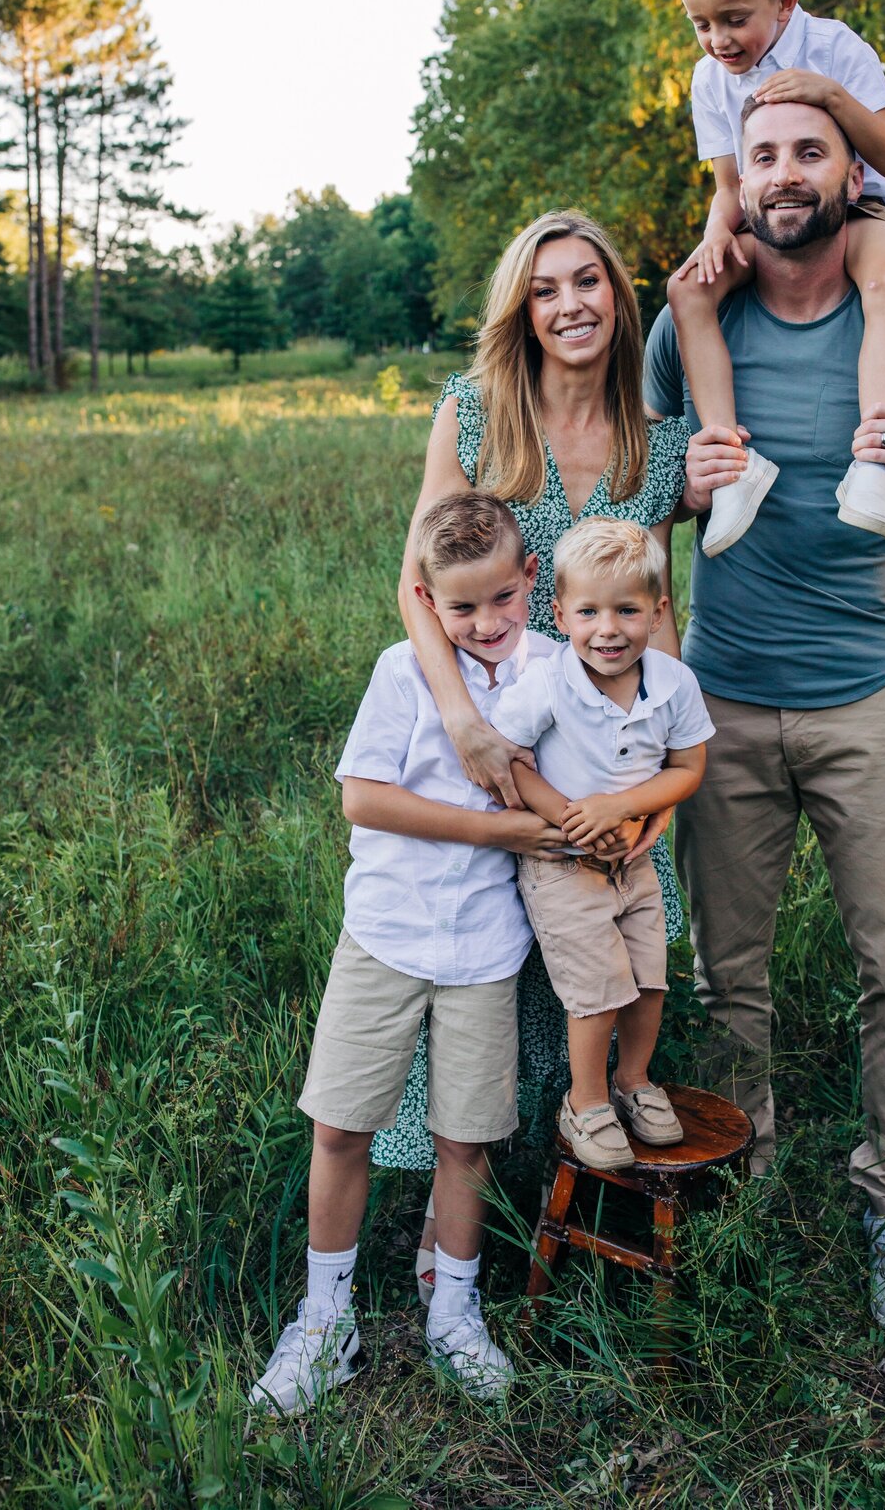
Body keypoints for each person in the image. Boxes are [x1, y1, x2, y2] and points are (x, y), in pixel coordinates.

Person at [647, 94, 885, 1333]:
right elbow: (628, 497)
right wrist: (680, 485)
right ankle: (741, 1175)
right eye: (762, 154)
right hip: (721, 702)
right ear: (738, 177)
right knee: (726, 973)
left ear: (851, 173)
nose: (785, 173)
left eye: (810, 151)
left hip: (873, 701)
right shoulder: (690, 318)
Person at [384, 210, 691, 1300]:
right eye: (546, 289)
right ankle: (450, 1216)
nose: (570, 305)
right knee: (487, 963)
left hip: (613, 756)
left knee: (612, 953)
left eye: (589, 282)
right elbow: (418, 583)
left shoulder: (656, 438)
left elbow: (660, 612)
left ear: (618, 297)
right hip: (501, 740)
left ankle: (574, 1172)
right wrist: (462, 722)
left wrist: (654, 789)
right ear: (521, 311)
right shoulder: (475, 416)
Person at [250, 493, 565, 1412]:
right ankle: (326, 1320)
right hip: (386, 932)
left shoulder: (556, 672)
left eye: (502, 598)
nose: (487, 623)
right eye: (462, 607)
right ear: (427, 601)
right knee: (341, 1125)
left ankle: (454, 1314)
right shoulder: (404, 672)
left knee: (466, 1139)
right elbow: (364, 798)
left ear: (531, 579)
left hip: (487, 948)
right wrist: (500, 828)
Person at [670, 0, 885, 555]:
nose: (718, 40)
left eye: (734, 19)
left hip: (859, 211)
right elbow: (730, 187)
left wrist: (831, 95)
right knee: (688, 288)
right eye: (701, 24)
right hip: (770, 220)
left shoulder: (834, 47)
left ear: (784, 2)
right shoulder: (708, 79)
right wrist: (715, 236)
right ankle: (732, 468)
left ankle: (872, 462)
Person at [491, 519, 715, 1170]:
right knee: (597, 987)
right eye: (588, 612)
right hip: (563, 865)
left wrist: (621, 807)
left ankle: (633, 1081)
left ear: (658, 612)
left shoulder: (673, 683)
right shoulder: (547, 683)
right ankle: (584, 1102)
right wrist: (572, 819)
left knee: (648, 977)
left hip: (635, 860)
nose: (608, 630)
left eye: (627, 611)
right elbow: (510, 763)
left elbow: (688, 767)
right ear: (560, 614)